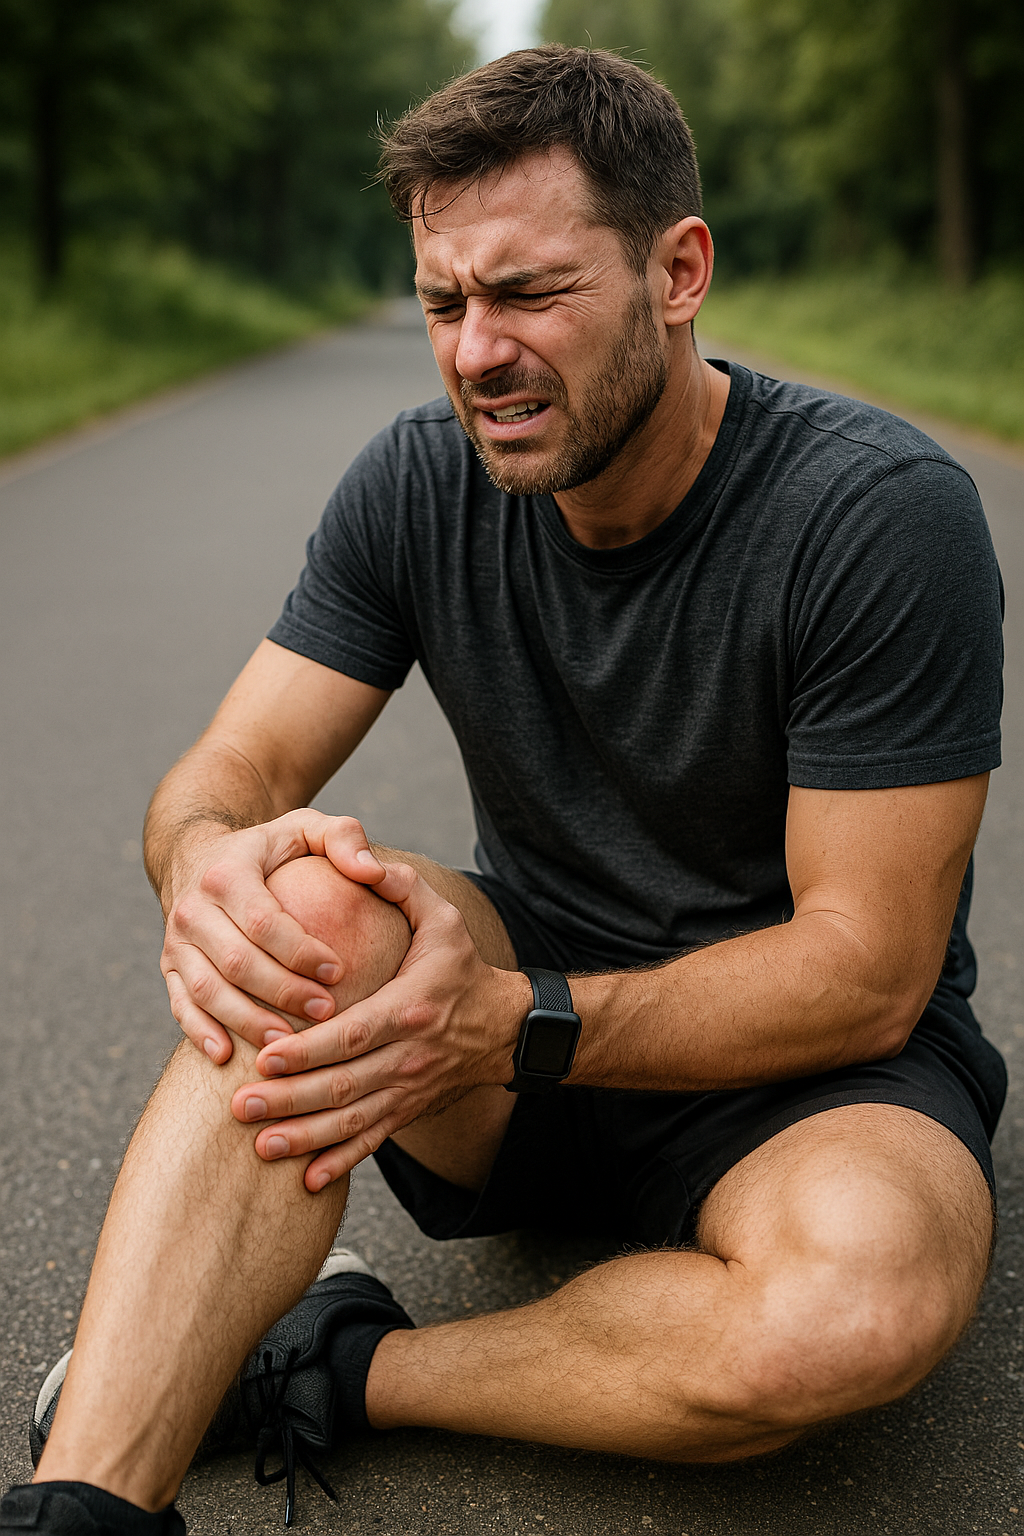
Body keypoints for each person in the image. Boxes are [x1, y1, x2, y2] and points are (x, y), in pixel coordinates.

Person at [3, 44, 1006, 1536]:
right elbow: (236, 767)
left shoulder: (875, 515)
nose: (476, 352)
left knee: (854, 1310)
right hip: (506, 1047)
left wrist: (507, 1022)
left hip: (808, 1083)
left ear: (678, 272)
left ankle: (339, 1369)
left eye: (530, 293)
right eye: (443, 303)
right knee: (298, 902)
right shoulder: (417, 481)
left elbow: (865, 974)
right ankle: (85, 1503)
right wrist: (204, 859)